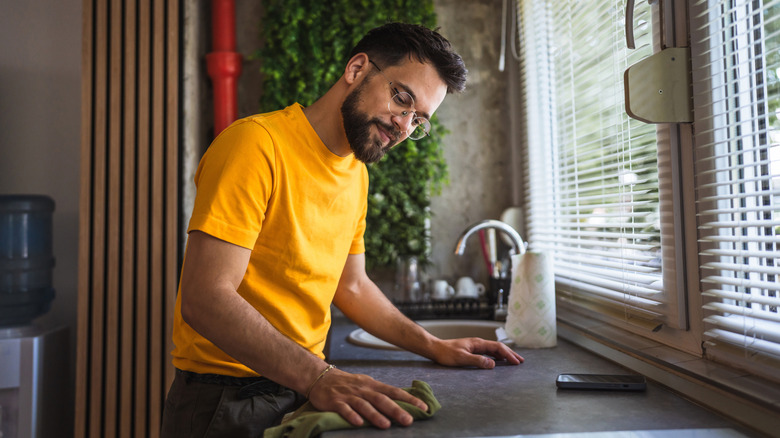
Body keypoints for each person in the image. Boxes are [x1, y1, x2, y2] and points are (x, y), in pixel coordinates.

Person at [161, 22, 524, 437]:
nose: (404, 126)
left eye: (419, 120)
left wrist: (433, 346)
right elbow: (205, 299)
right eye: (401, 98)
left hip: (301, 389)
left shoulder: (356, 173)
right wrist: (318, 377)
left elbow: (351, 286)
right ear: (356, 69)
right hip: (227, 402)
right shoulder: (255, 146)